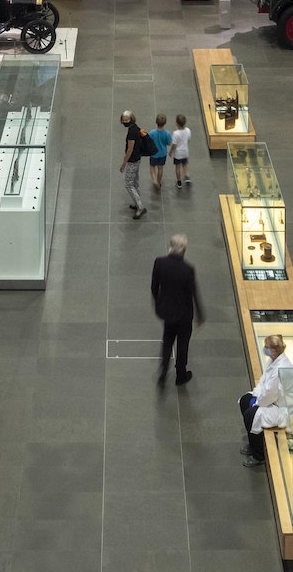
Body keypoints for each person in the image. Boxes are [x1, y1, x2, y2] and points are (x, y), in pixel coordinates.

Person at [239, 334, 293, 468]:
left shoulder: (281, 368)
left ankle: (259, 455)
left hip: (282, 407)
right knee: (245, 400)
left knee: (251, 415)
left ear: (274, 350)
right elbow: (264, 382)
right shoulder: (273, 361)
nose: (265, 349)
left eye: (267, 347)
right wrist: (256, 395)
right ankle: (253, 443)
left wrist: (257, 402)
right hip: (270, 399)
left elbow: (271, 393)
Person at [151, 233, 204, 388]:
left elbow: (154, 287)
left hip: (168, 312)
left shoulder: (160, 263)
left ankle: (162, 372)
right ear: (184, 249)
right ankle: (180, 374)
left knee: (167, 341)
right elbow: (194, 293)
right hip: (184, 315)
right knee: (182, 344)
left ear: (170, 246)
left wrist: (159, 303)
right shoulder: (188, 269)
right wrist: (200, 316)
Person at [119, 108, 146, 218]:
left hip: (132, 160)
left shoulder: (131, 132)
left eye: (126, 120)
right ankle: (137, 202)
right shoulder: (136, 128)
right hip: (138, 158)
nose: (125, 122)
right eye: (124, 120)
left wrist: (124, 163)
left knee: (129, 184)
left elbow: (130, 149)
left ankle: (140, 207)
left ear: (131, 119)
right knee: (135, 182)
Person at [148, 112, 171, 191]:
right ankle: (159, 181)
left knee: (152, 167)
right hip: (163, 153)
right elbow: (169, 143)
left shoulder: (152, 132)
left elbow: (149, 141)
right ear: (165, 123)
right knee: (160, 168)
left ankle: (154, 180)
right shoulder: (167, 133)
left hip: (154, 153)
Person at [169, 114, 191, 188]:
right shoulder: (188, 130)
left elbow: (174, 145)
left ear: (177, 123)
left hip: (178, 154)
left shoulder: (176, 133)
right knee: (185, 164)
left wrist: (170, 152)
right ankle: (187, 176)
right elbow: (188, 140)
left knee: (177, 167)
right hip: (185, 152)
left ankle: (179, 182)